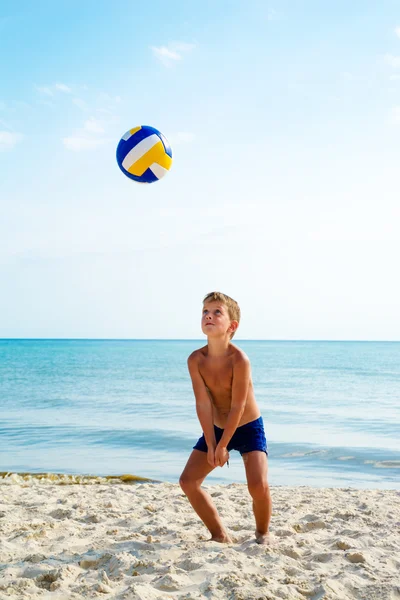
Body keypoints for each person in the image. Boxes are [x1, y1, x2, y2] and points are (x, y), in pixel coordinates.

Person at [179, 292, 272, 544]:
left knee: (257, 486)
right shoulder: (195, 359)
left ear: (232, 326)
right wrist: (211, 443)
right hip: (218, 428)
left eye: (217, 311)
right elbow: (202, 403)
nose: (208, 315)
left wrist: (222, 446)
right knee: (188, 481)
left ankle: (263, 534)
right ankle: (219, 535)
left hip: (248, 426)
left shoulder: (239, 359)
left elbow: (238, 406)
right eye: (205, 311)